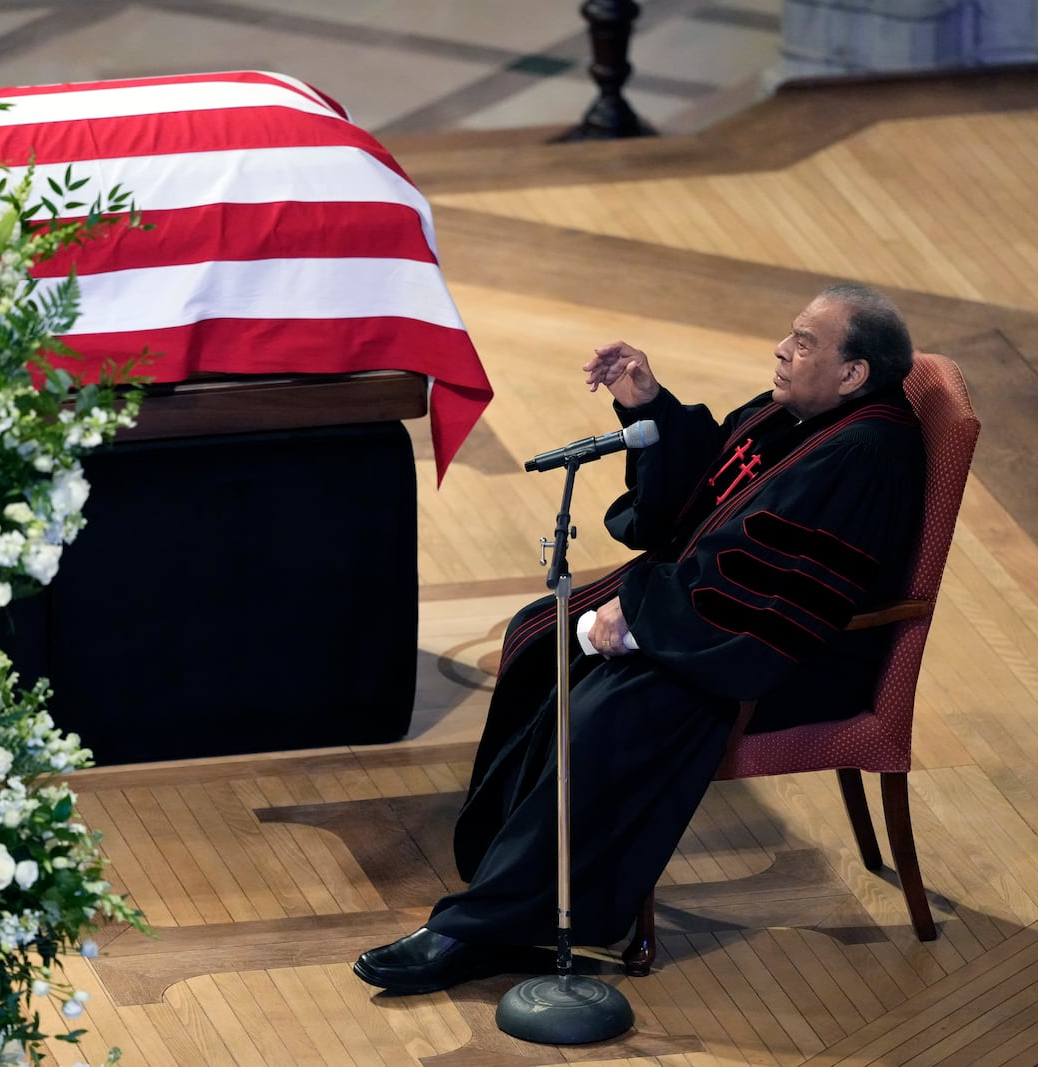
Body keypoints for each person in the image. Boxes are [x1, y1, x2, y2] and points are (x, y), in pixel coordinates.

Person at [353, 282, 926, 995]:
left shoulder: (866, 453)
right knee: (545, 637)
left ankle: (489, 927)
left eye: (805, 343)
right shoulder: (811, 418)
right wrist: (648, 404)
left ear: (853, 373)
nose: (781, 349)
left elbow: (778, 581)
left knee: (605, 714)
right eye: (790, 333)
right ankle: (516, 880)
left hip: (791, 658)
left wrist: (645, 612)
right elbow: (721, 482)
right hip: (730, 621)